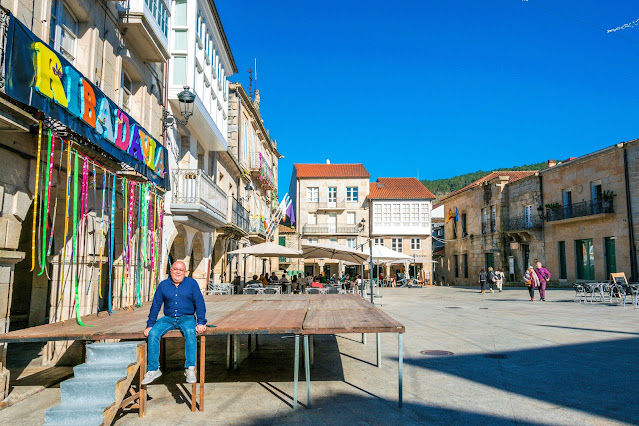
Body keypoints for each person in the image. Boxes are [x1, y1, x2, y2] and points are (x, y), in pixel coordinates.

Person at [141, 261, 207, 385]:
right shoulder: (163, 285)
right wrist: (150, 325)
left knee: (190, 332)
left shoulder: (192, 284)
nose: (178, 272)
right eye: (175, 269)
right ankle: (153, 369)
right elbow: (156, 305)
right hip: (168, 318)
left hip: (186, 317)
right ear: (171, 271)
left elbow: (199, 303)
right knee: (154, 333)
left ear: (185, 272)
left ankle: (190, 368)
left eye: (181, 270)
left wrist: (201, 322)